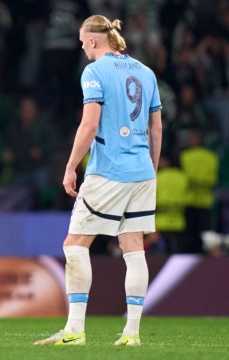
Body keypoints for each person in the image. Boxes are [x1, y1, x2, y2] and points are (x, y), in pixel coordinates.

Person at [35, 15, 163, 347]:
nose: (81, 47)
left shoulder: (94, 72)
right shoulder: (146, 72)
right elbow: (156, 129)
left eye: (81, 42)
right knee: (133, 248)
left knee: (74, 245)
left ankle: (75, 329)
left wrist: (70, 166)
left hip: (109, 171)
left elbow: (89, 125)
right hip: (142, 171)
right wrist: (152, 169)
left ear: (92, 41)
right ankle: (132, 332)